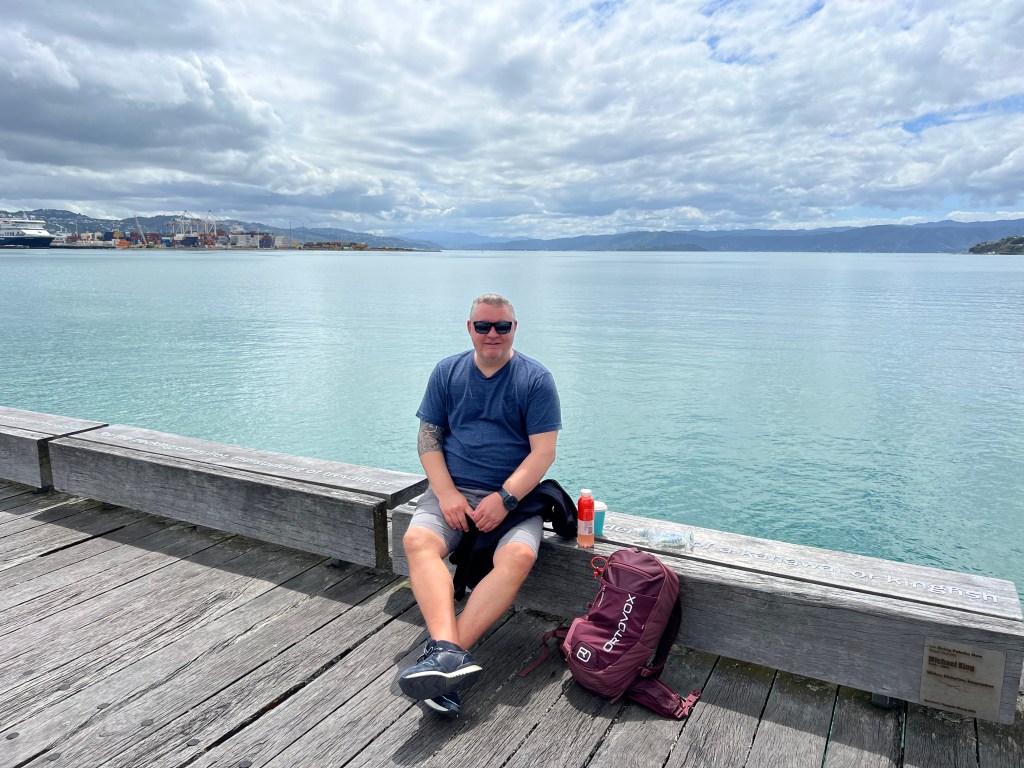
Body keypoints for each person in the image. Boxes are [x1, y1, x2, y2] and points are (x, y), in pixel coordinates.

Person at [399, 293, 561, 718]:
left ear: (514, 328)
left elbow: (543, 453)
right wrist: (447, 494)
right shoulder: (447, 372)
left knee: (520, 555)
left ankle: (445, 656)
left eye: (501, 326)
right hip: (452, 490)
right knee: (417, 541)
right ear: (469, 328)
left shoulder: (535, 380)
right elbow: (428, 440)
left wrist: (505, 498)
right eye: (483, 326)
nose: (493, 334)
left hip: (513, 498)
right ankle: (448, 657)